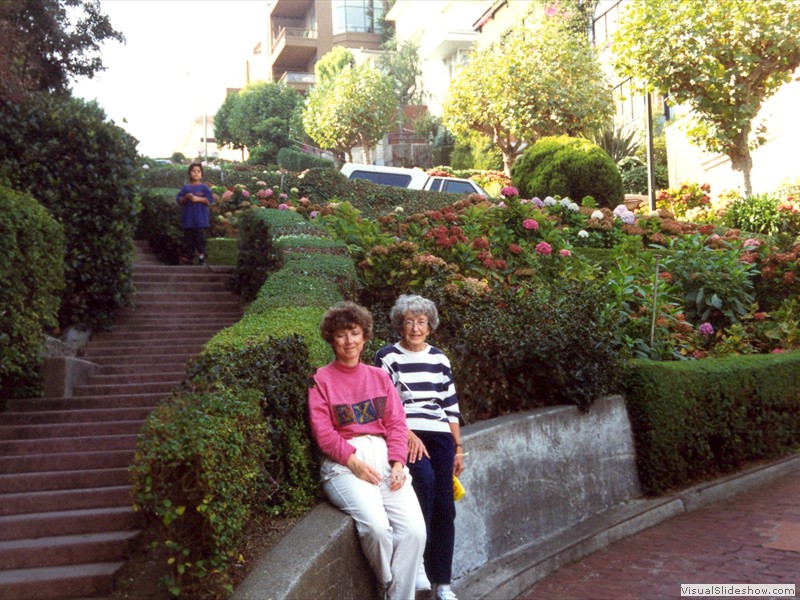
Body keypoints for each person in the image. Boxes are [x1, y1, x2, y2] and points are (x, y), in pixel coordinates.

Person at [308, 301, 426, 600]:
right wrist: (353, 462)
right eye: (341, 335)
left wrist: (398, 463)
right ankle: (388, 584)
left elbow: (397, 424)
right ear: (330, 339)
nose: (349, 341)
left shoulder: (378, 376)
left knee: (415, 531)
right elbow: (323, 432)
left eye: (355, 333)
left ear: (365, 336)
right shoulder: (320, 379)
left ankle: (398, 595)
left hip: (385, 457)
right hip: (344, 462)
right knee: (377, 529)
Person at [375, 294, 464, 600]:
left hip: (439, 434)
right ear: (400, 324)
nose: (415, 328)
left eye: (421, 322)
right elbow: (385, 405)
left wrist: (458, 447)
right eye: (409, 321)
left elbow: (451, 406)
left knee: (445, 504)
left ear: (430, 326)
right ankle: (420, 566)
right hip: (406, 432)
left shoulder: (439, 359)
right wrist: (407, 433)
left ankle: (443, 582)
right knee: (423, 484)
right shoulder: (387, 357)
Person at [175, 162, 214, 265]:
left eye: (198, 171)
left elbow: (209, 200)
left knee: (201, 239)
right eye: (193, 171)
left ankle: (202, 258)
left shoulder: (204, 188)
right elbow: (179, 200)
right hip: (188, 219)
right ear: (189, 174)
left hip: (201, 220)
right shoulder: (185, 188)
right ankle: (189, 258)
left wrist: (197, 199)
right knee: (189, 240)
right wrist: (186, 197)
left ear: (201, 174)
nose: (196, 173)